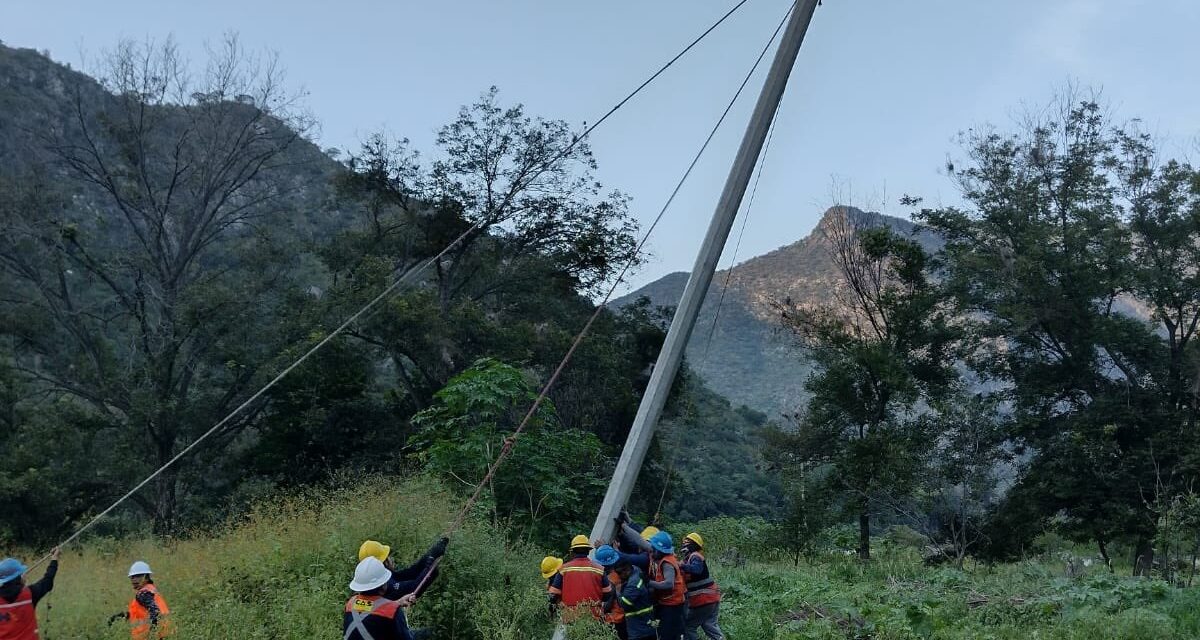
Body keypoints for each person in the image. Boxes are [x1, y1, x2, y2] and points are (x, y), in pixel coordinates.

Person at [620, 528, 686, 640]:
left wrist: (649, 582)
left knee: (667, 634)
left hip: (672, 605)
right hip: (664, 602)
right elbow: (639, 540)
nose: (651, 550)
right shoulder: (656, 553)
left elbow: (669, 584)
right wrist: (624, 526)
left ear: (660, 551)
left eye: (654, 549)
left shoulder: (667, 563)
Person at [344, 557, 416, 640]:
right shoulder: (393, 611)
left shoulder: (350, 603)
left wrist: (398, 603)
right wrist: (394, 607)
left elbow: (369, 609)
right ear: (383, 587)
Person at [547, 535, 613, 623]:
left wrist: (554, 612)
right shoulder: (599, 569)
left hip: (570, 617)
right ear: (588, 551)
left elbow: (553, 595)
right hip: (593, 617)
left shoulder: (563, 570)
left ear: (573, 552)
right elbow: (608, 594)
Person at [358, 538, 448, 601]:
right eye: (388, 557)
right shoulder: (384, 584)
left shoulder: (372, 580)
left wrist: (428, 556)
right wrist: (430, 565)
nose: (391, 559)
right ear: (384, 562)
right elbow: (413, 588)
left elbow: (407, 574)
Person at [0, 547, 60, 640]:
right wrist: (54, 559)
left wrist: (20, 581)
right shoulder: (30, 594)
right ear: (18, 577)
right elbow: (47, 581)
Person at [108, 561, 173, 639]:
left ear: (146, 577)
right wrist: (122, 616)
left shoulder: (143, 593)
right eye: (132, 577)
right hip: (163, 634)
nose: (134, 580)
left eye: (138, 576)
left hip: (153, 636)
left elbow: (155, 611)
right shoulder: (150, 590)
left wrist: (153, 632)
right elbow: (141, 613)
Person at [680, 532, 724, 640]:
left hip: (703, 599)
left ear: (693, 544)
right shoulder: (691, 558)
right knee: (709, 625)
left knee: (689, 626)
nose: (684, 544)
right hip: (712, 598)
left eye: (687, 542)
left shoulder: (695, 556)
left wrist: (682, 566)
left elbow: (697, 570)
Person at [610, 559, 657, 640]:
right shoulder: (636, 570)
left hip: (640, 628)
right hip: (646, 625)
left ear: (627, 570)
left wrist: (617, 590)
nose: (618, 576)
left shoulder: (633, 584)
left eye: (619, 573)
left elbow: (624, 604)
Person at [593, 546, 627, 640]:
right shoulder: (617, 575)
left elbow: (608, 605)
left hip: (612, 620)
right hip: (621, 617)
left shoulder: (609, 581)